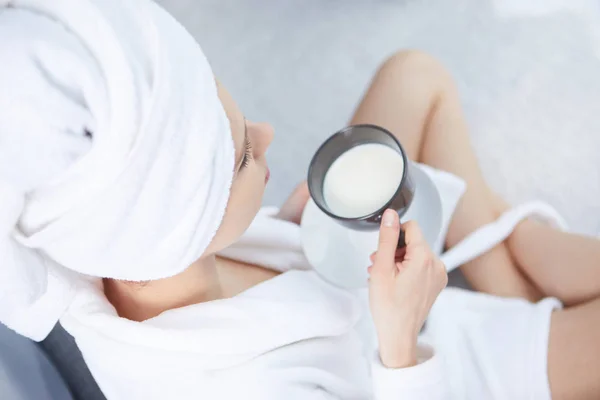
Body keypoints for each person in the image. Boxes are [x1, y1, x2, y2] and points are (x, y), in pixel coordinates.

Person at [0, 1, 598, 399]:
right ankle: (510, 255)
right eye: (240, 157)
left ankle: (504, 262)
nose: (267, 133)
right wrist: (400, 336)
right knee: (536, 263)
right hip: (456, 371)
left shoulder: (123, 249)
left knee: (414, 77)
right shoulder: (237, 387)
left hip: (364, 294)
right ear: (182, 222)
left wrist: (289, 233)